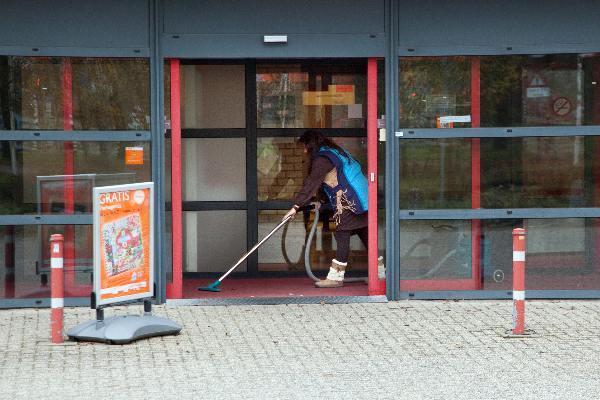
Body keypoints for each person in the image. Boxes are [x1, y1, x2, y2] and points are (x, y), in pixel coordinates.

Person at [284, 130, 369, 288]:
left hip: (350, 201)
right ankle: (379, 274)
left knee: (342, 234)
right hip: (364, 199)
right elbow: (330, 181)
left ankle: (336, 277)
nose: (304, 151)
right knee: (366, 234)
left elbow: (311, 183)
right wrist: (320, 201)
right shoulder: (337, 152)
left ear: (311, 146)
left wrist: (295, 207)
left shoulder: (322, 159)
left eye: (305, 147)